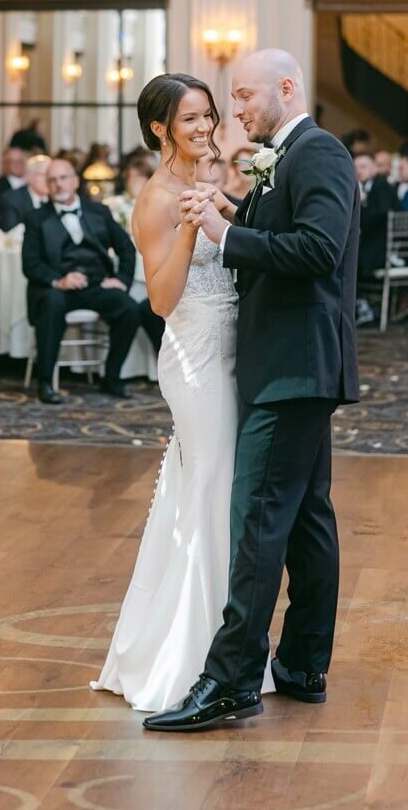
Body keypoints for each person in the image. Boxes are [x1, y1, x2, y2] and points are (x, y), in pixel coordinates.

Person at [139, 50, 360, 732]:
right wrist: (234, 214)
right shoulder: (281, 159)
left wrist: (224, 231)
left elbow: (317, 250)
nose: (234, 112)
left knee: (259, 523)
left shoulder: (314, 152)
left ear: (285, 88)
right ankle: (300, 665)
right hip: (286, 364)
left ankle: (231, 681)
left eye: (241, 96)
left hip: (291, 368)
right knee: (305, 519)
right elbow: (279, 236)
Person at [91, 73, 252, 711]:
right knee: (211, 490)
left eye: (209, 116)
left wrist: (226, 211)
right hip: (196, 359)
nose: (206, 128)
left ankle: (224, 646)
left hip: (233, 351)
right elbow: (161, 299)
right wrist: (191, 224)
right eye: (191, 119)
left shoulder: (200, 183)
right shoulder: (158, 198)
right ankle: (196, 657)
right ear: (161, 130)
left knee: (215, 491)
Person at [22, 157, 141, 405]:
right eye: (51, 180)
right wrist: (59, 280)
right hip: (58, 288)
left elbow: (126, 248)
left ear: (75, 181)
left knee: (129, 308)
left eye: (63, 178)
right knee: (52, 304)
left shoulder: (98, 211)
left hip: (97, 284)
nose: (58, 184)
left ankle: (111, 376)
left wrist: (121, 279)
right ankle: (45, 381)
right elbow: (30, 264)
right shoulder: (36, 218)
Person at [105, 156, 165, 354]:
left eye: (141, 178)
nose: (137, 183)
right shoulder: (114, 204)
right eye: (132, 178)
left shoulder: (159, 203)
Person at [353, 152, 399, 326]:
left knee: (347, 261)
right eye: (356, 168)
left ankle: (361, 306)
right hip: (374, 244)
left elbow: (383, 214)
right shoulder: (369, 186)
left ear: (374, 168)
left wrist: (360, 210)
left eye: (363, 167)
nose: (358, 171)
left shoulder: (381, 185)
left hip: (383, 250)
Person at [0, 154, 51, 232]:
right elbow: (11, 235)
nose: (49, 180)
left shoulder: (56, 197)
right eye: (44, 175)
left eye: (51, 176)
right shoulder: (12, 200)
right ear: (29, 177)